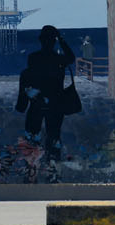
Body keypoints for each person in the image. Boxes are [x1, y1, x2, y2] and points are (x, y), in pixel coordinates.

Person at [17, 25, 75, 159]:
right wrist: (61, 39)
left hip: (37, 102)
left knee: (32, 135)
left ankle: (32, 163)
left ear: (41, 40)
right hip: (56, 103)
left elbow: (28, 78)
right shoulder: (59, 59)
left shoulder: (33, 57)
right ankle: (52, 163)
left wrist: (22, 104)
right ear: (54, 41)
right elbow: (71, 58)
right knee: (53, 135)